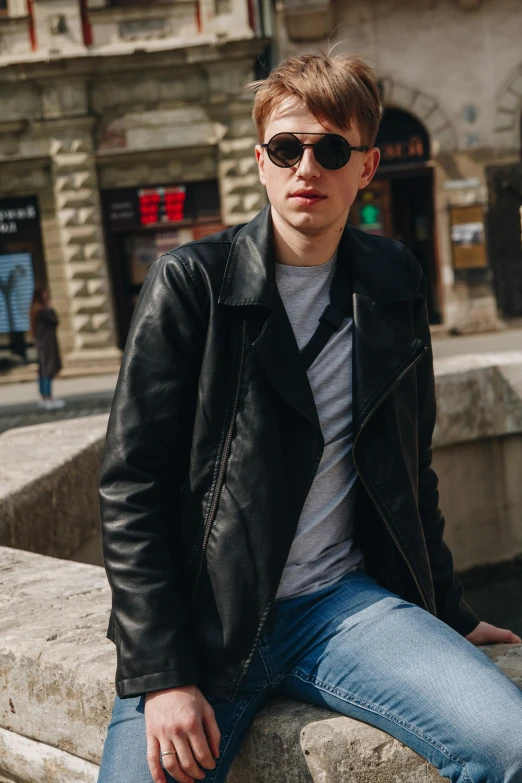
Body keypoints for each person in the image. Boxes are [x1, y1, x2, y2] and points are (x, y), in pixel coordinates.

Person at [97, 53, 522, 783]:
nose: (307, 169)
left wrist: (447, 610)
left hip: (344, 607)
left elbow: (408, 470)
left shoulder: (393, 280)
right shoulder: (191, 283)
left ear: (366, 167)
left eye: (332, 150)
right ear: (261, 161)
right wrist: (161, 674)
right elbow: (131, 486)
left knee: (512, 744)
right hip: (207, 627)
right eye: (288, 148)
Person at [30, 286, 65, 410]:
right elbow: (55, 320)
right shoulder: (44, 311)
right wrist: (49, 306)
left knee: (43, 371)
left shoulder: (35, 310)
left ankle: (44, 397)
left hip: (42, 345)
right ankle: (48, 398)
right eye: (45, 294)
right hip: (47, 345)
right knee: (47, 371)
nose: (47, 296)